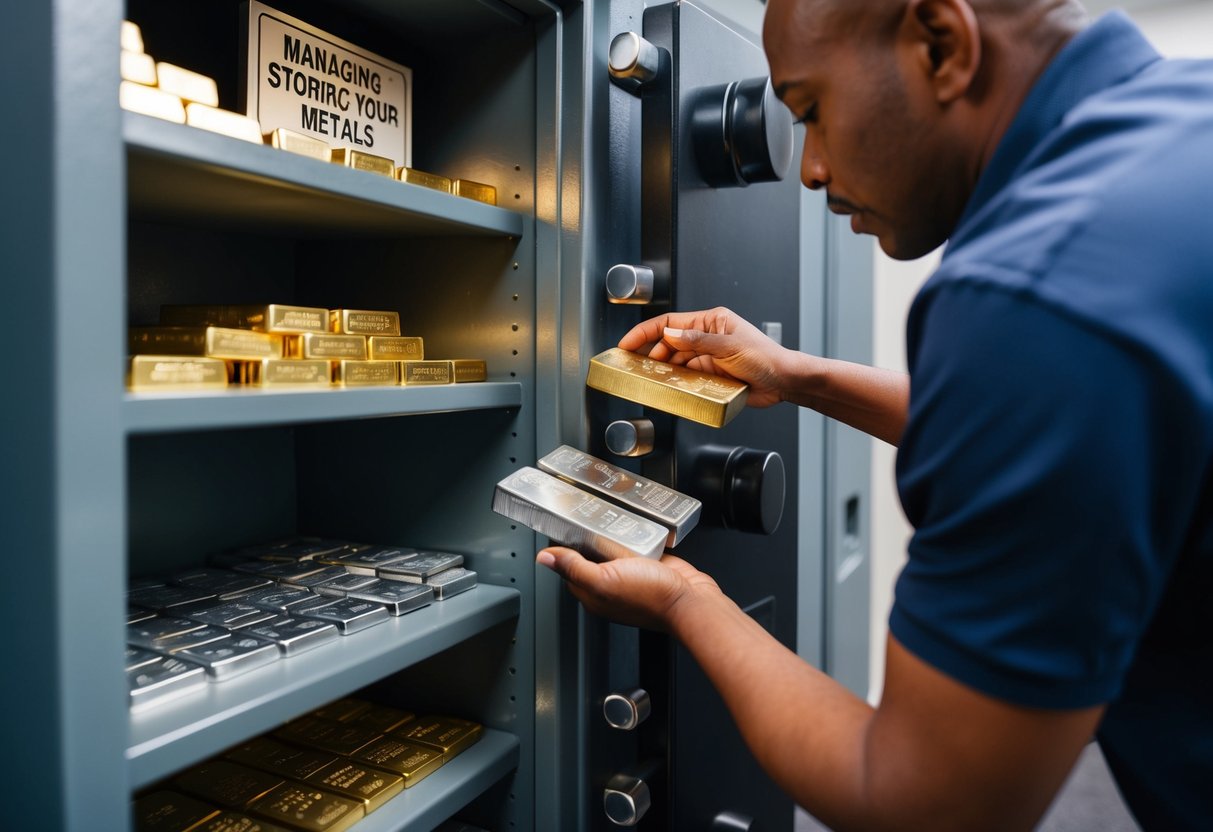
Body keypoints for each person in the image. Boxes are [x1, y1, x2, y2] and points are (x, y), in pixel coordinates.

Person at [536, 0, 1213, 829]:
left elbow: (922, 802)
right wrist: (796, 376)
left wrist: (685, 601)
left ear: (940, 43)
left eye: (812, 110)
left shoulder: (1038, 291)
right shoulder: (1177, 122)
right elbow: (1075, 431)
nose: (810, 168)